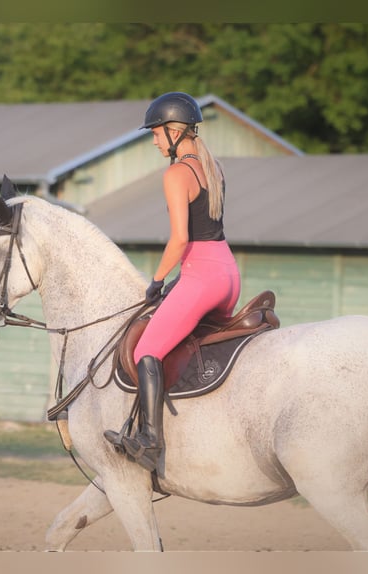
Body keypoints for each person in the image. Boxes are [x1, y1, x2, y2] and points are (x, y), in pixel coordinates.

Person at [105, 92, 242, 472]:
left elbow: (181, 239)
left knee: (146, 351)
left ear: (173, 132)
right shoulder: (213, 169)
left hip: (201, 276)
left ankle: (150, 441)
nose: (153, 140)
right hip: (228, 273)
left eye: (156, 133)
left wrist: (157, 279)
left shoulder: (176, 173)